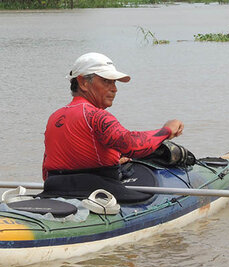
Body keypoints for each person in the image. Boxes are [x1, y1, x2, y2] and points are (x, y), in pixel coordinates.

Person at [42, 52, 184, 180]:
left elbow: (46, 170)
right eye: (106, 81)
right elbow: (132, 146)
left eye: (114, 82)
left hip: (55, 187)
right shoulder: (96, 116)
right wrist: (167, 130)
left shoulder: (54, 117)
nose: (114, 89)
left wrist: (114, 158)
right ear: (83, 83)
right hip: (96, 190)